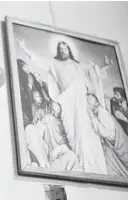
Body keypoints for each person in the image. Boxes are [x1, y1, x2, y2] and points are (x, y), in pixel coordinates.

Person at [17, 38, 112, 174]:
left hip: (81, 103)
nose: (62, 50)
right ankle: (80, 166)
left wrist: (105, 65)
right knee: (75, 134)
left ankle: (93, 168)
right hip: (67, 103)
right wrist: (25, 49)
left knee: (87, 132)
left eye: (65, 48)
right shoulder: (54, 63)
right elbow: (39, 60)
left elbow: (93, 73)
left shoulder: (77, 65)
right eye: (60, 48)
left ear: (69, 50)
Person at [87, 93, 128, 178]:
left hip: (123, 147)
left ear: (96, 102)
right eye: (87, 101)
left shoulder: (102, 113)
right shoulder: (99, 112)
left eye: (89, 100)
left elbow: (105, 132)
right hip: (117, 146)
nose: (88, 103)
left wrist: (93, 119)